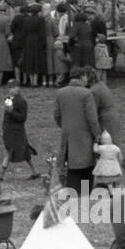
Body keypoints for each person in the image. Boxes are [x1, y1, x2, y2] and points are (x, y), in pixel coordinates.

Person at [53, 67, 100, 195]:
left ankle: (72, 201)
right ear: (83, 76)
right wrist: (97, 135)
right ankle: (84, 201)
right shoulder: (86, 93)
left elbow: (56, 115)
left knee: (72, 169)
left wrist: (65, 126)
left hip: (68, 137)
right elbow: (92, 118)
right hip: (84, 138)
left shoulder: (60, 93)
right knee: (86, 170)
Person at [0, 82, 37, 180]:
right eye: (10, 87)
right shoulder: (8, 99)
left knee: (11, 150)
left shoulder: (21, 101)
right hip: (8, 129)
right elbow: (6, 115)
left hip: (17, 130)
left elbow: (23, 118)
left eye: (14, 87)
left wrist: (12, 112)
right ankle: (35, 171)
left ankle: (0, 175)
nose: (11, 90)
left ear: (18, 88)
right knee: (20, 150)